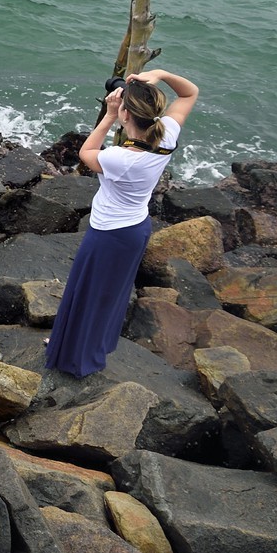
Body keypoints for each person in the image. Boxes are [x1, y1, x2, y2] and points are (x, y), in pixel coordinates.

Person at [45, 68, 199, 378]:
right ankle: (89, 348)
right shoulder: (167, 133)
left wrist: (108, 114)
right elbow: (189, 93)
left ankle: (75, 358)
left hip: (108, 234)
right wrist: (163, 73)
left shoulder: (121, 158)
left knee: (86, 292)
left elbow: (86, 153)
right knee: (109, 295)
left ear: (126, 113)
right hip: (135, 229)